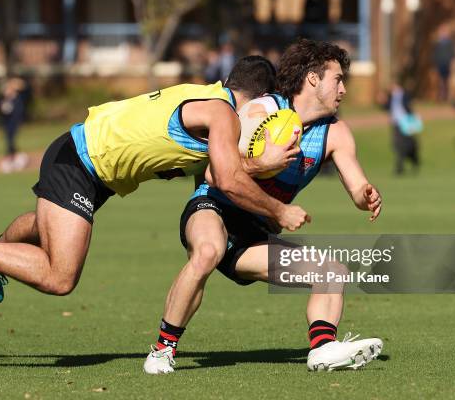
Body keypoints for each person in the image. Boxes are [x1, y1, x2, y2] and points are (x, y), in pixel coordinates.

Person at [0, 56, 309, 306]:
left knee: (45, 228)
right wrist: (280, 211)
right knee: (60, 276)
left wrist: (257, 163)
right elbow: (225, 179)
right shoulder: (224, 115)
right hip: (80, 163)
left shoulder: (206, 96)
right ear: (259, 98)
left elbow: (214, 172)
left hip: (86, 160)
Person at [143, 39, 383, 374]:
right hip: (213, 208)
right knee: (208, 250)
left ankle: (323, 349)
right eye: (337, 79)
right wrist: (262, 161)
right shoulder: (261, 111)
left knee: (332, 272)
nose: (343, 88)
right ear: (313, 79)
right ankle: (161, 351)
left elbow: (357, 185)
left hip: (251, 236)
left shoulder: (336, 133)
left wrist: (366, 195)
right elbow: (214, 174)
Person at [380, 82, 420, 175]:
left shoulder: (405, 95)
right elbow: (387, 108)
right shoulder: (391, 97)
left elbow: (410, 107)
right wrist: (382, 102)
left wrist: (413, 121)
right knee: (396, 145)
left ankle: (413, 162)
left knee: (408, 145)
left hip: (406, 123)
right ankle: (400, 167)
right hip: (396, 124)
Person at [0, 77, 29, 173]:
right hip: (7, 122)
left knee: (11, 139)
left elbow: (24, 87)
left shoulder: (17, 97)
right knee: (9, 139)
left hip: (14, 121)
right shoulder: (5, 98)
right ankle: (12, 157)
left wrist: (15, 83)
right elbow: (2, 109)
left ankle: (13, 158)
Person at [432, 25, 455, 102]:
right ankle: (441, 96)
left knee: (447, 80)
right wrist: (435, 62)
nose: (443, 34)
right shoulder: (437, 43)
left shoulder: (450, 43)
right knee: (440, 80)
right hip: (440, 63)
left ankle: (447, 96)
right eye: (441, 32)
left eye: (444, 32)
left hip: (447, 63)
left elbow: (453, 53)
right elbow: (434, 54)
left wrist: (451, 61)